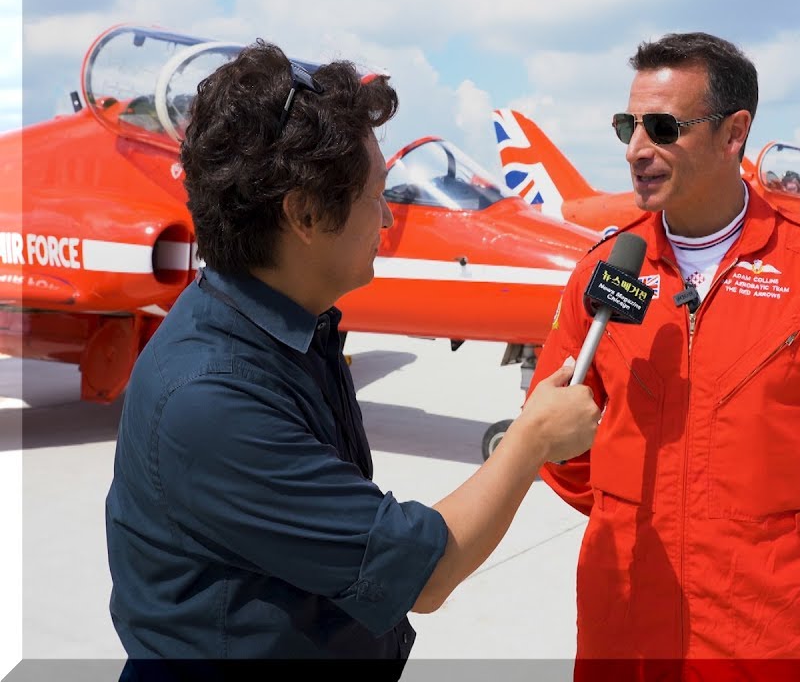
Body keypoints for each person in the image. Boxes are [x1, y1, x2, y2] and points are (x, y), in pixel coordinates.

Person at [103, 41, 600, 680]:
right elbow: (424, 572)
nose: (387, 216)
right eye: (376, 194)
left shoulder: (290, 326)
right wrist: (531, 440)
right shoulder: (212, 399)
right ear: (306, 214)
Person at [526, 32, 800, 680]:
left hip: (758, 636)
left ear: (733, 134)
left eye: (662, 128)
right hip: (623, 627)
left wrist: (789, 533)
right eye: (627, 127)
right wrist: (628, 515)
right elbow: (552, 437)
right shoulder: (603, 272)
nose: (636, 149)